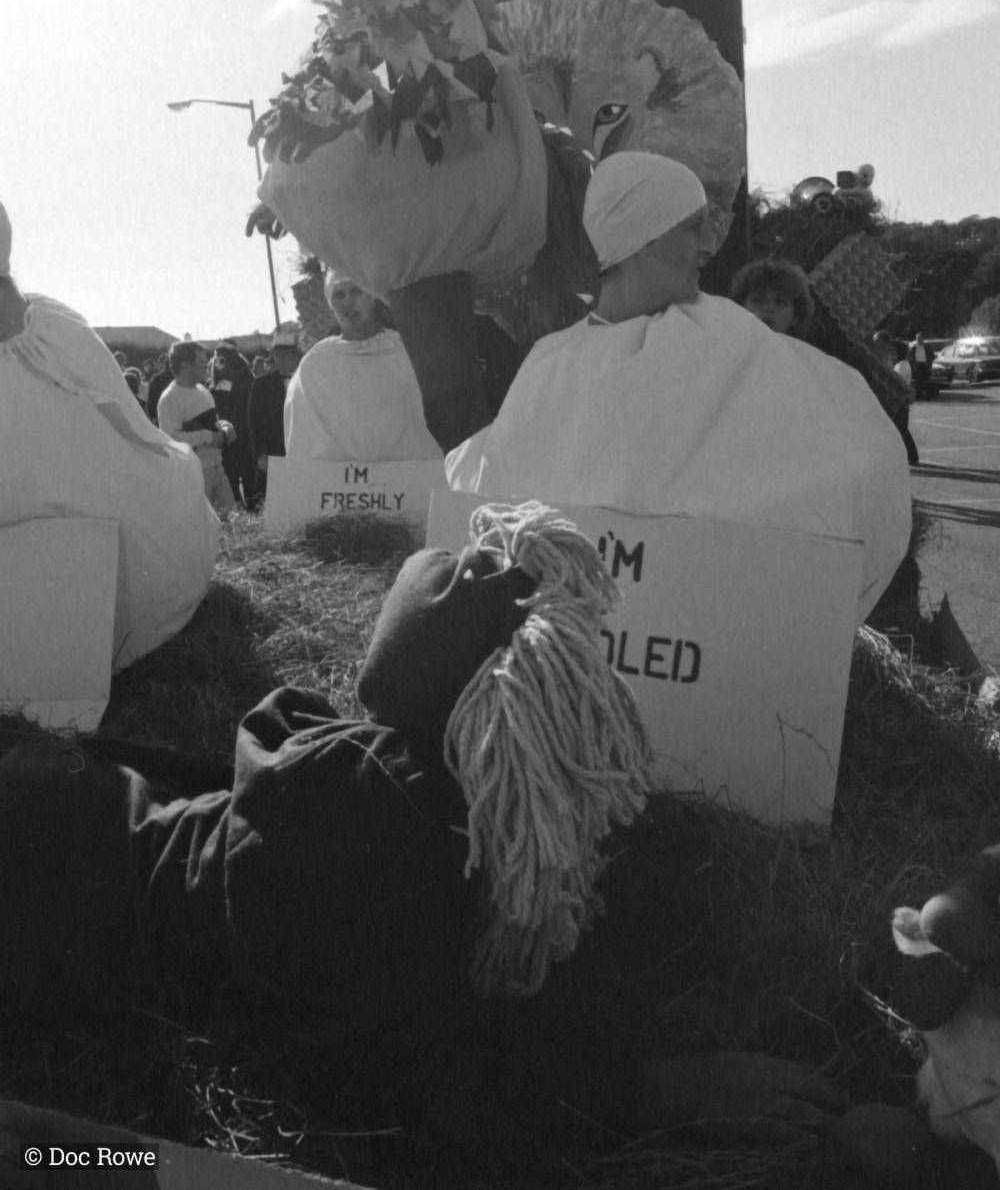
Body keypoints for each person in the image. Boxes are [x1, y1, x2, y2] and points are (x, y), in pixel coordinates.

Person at [0, 501, 849, 1175]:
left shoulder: (423, 789)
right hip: (47, 878)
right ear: (501, 721)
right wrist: (657, 1089)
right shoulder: (374, 839)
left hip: (78, 809)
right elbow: (410, 1085)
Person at [447, 151, 912, 623]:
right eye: (691, 227)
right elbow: (503, 488)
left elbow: (846, 455)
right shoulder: (553, 363)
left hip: (705, 637)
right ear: (639, 236)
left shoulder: (726, 334)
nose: (708, 245)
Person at [0, 201, 218, 671]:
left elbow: (119, 409)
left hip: (75, 485)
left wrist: (157, 452)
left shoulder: (52, 323)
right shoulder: (52, 323)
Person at [284, 271, 441, 461]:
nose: (348, 302)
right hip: (337, 487)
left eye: (356, 291)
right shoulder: (315, 363)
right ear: (330, 304)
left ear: (373, 297)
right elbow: (303, 436)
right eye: (339, 294)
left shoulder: (406, 353)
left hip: (404, 483)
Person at [157, 342, 237, 516]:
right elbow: (170, 439)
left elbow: (212, 421)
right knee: (203, 525)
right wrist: (209, 436)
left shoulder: (202, 390)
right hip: (194, 474)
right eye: (201, 361)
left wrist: (225, 426)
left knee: (233, 520)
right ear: (185, 365)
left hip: (217, 467)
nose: (207, 365)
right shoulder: (169, 399)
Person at [247, 330, 302, 502]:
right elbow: (253, 421)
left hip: (302, 452)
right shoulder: (262, 384)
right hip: (273, 453)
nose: (280, 361)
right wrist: (260, 453)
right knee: (270, 502)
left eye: (285, 356)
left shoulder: (308, 380)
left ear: (296, 357)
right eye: (277, 356)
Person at [210, 340, 256, 507]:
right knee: (236, 477)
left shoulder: (236, 371)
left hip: (237, 433)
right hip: (233, 433)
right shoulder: (242, 370)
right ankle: (245, 509)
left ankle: (246, 509)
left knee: (240, 476)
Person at [729, 257, 815, 338]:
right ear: (741, 308)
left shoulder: (805, 354)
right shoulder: (722, 350)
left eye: (780, 302)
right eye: (757, 300)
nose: (768, 308)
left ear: (795, 317)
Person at [910, 332, 931, 400]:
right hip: (917, 365)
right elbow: (910, 356)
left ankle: (927, 394)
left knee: (926, 380)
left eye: (920, 338)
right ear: (916, 339)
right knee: (918, 380)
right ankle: (919, 394)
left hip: (925, 365)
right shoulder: (914, 347)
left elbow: (931, 356)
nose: (919, 340)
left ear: (923, 339)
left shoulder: (927, 347)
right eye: (918, 339)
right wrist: (913, 364)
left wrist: (929, 363)